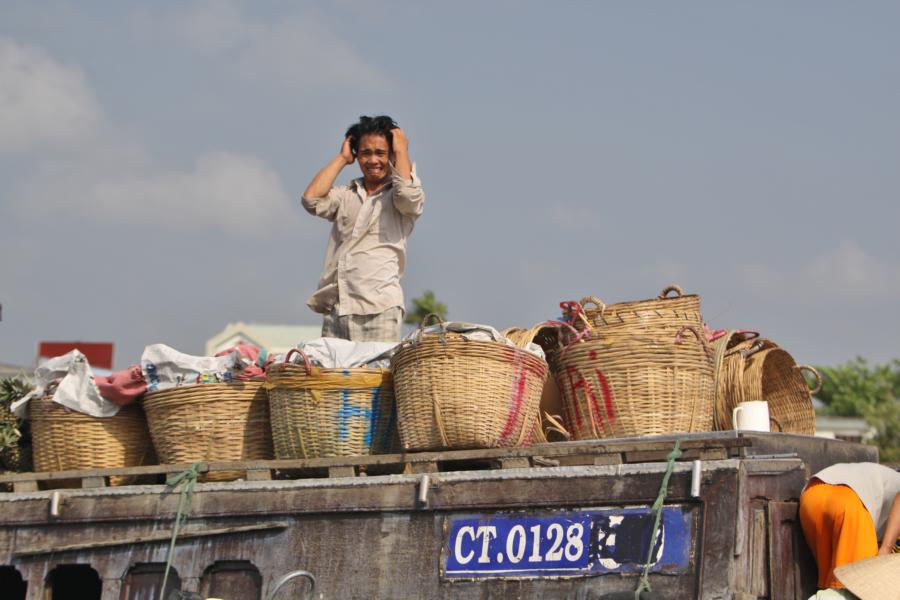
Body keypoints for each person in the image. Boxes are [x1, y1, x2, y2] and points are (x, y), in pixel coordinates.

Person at [301, 115, 424, 342]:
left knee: (376, 377)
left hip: (379, 309)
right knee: (334, 378)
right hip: (338, 307)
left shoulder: (399, 196)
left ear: (391, 155)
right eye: (366, 153)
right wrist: (342, 158)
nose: (373, 160)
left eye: (381, 153)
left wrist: (402, 151)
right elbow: (311, 200)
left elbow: (408, 196)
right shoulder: (346, 193)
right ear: (357, 155)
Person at [799, 462, 900, 592]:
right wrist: (885, 549)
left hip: (812, 498)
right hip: (849, 503)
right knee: (862, 588)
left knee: (835, 587)